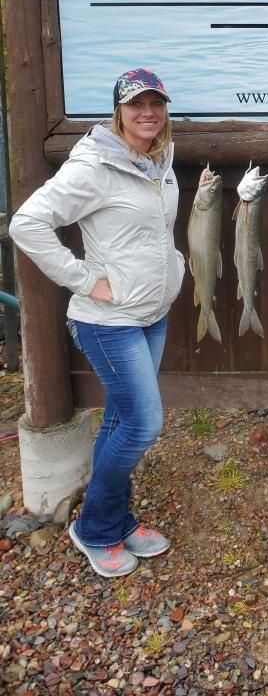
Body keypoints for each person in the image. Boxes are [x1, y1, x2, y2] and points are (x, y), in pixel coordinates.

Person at [9, 68, 185, 578]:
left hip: (150, 313)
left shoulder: (158, 160)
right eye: (136, 104)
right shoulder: (93, 167)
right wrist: (84, 280)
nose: (147, 112)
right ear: (118, 111)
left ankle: (115, 520)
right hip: (108, 321)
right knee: (143, 424)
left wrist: (172, 270)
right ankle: (96, 529)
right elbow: (27, 223)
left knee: (120, 421)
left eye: (155, 103)